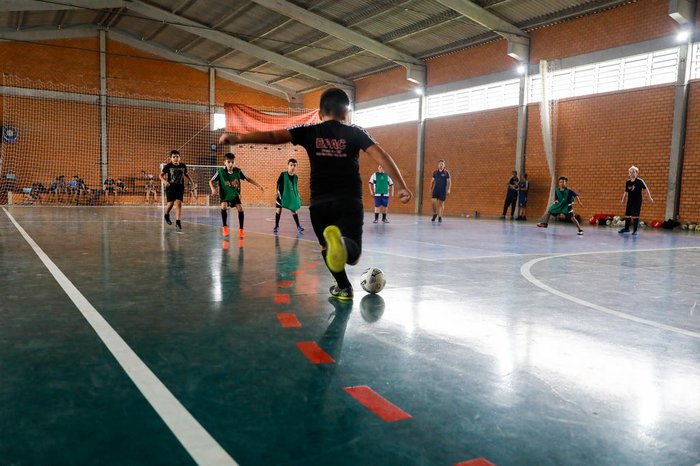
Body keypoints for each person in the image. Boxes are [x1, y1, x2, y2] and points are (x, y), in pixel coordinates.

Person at [218, 87, 412, 300]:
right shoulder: (355, 132)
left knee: (325, 247)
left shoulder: (310, 130)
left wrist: (238, 139)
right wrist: (401, 185)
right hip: (348, 201)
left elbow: (274, 135)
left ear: (320, 113)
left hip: (319, 204)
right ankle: (342, 244)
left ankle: (343, 287)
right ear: (346, 113)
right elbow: (382, 156)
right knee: (352, 255)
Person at [209, 152, 264, 238]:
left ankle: (241, 229)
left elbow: (248, 178)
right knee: (223, 206)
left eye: (232, 162)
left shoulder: (238, 171)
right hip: (225, 193)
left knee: (240, 209)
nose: (230, 164)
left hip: (234, 193)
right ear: (225, 162)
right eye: (228, 162)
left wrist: (258, 185)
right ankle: (225, 227)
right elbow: (211, 181)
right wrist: (213, 189)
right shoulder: (220, 171)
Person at [160, 150, 194, 232]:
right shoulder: (168, 166)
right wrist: (164, 181)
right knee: (170, 204)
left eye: (177, 157)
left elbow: (186, 174)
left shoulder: (183, 166)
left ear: (180, 158)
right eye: (174, 157)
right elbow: (160, 175)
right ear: (171, 158)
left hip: (180, 187)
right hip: (170, 187)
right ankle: (166, 215)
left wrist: (192, 182)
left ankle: (178, 221)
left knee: (179, 203)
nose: (175, 158)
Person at [619, 165, 653, 235]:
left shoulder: (640, 181)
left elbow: (646, 189)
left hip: (637, 201)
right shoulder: (628, 182)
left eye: (633, 172)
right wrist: (623, 199)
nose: (632, 173)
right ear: (629, 173)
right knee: (627, 215)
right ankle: (626, 228)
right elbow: (626, 192)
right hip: (630, 200)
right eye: (630, 172)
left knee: (635, 216)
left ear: (636, 173)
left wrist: (649, 198)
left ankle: (635, 230)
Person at [273, 158, 304, 234]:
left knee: (293, 209)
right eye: (291, 165)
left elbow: (295, 187)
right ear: (288, 166)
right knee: (279, 210)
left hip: (290, 196)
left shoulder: (296, 177)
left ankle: (298, 226)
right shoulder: (283, 174)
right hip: (281, 195)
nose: (292, 167)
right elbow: (277, 183)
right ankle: (276, 226)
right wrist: (276, 191)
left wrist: (298, 195)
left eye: (294, 165)